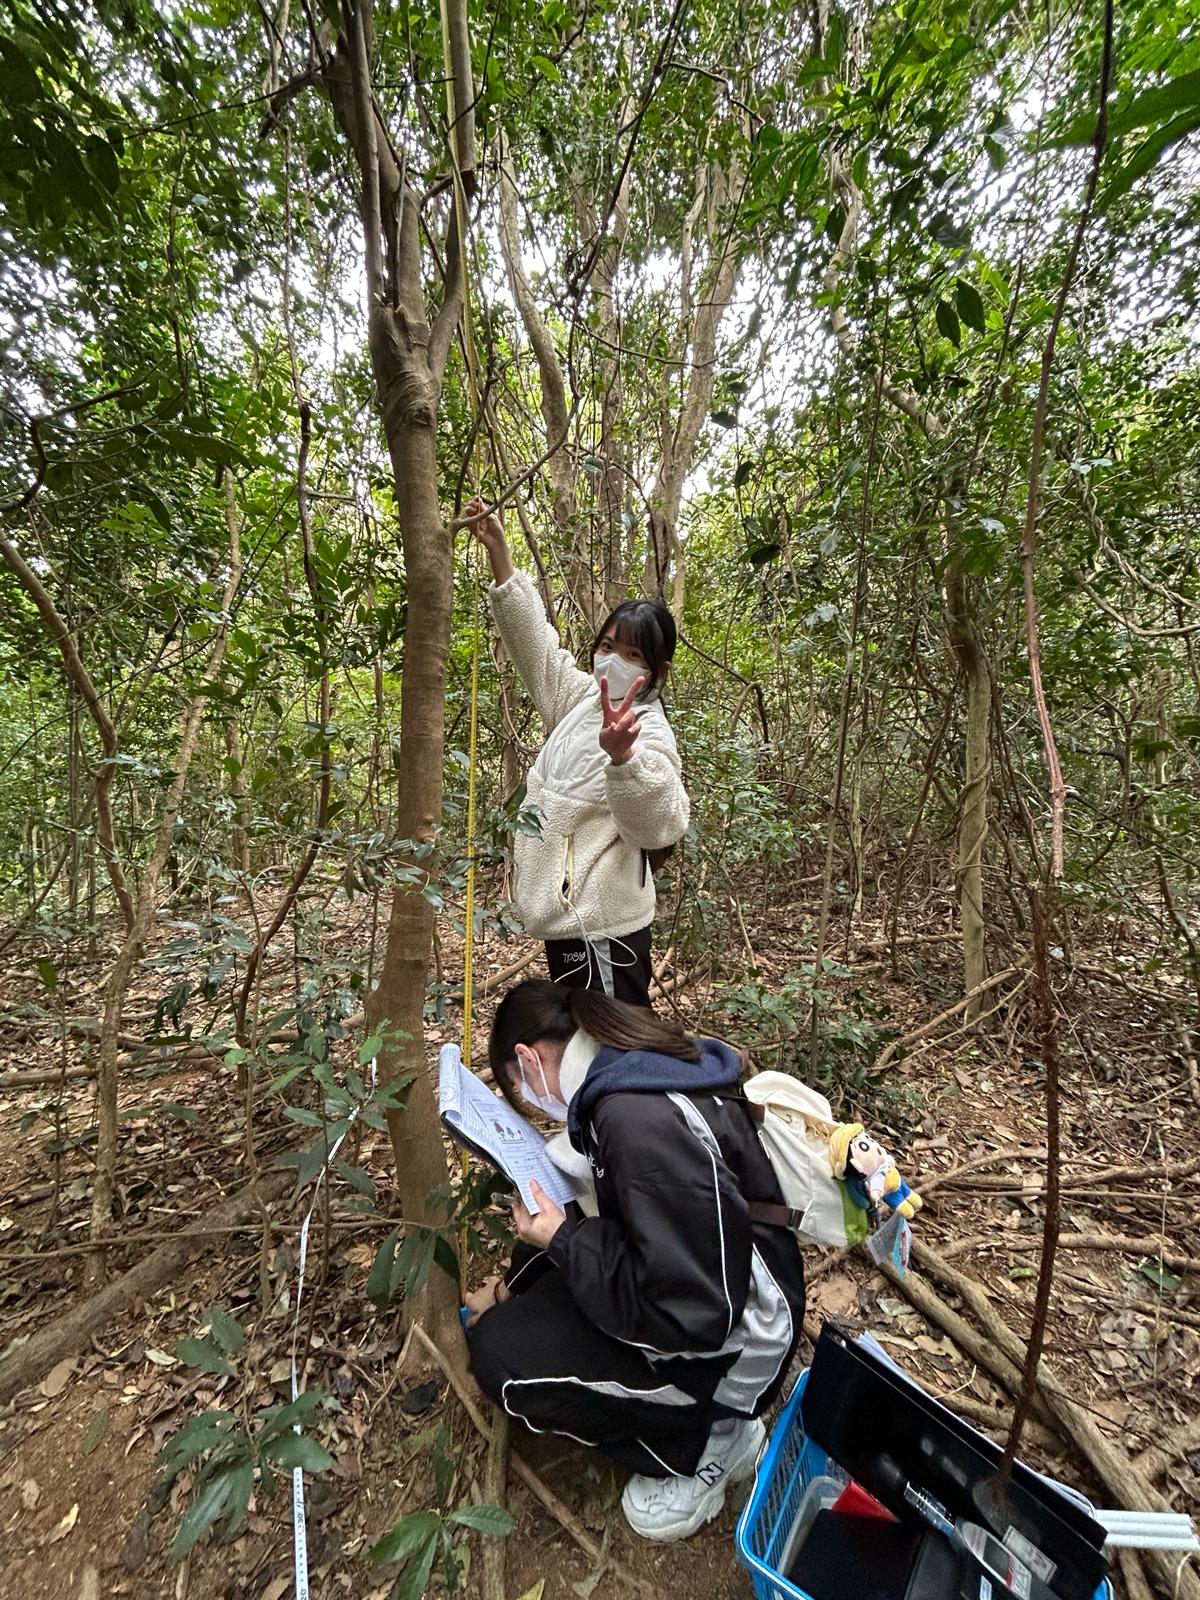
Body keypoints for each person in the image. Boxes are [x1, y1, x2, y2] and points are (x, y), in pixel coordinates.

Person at [464, 980, 806, 1543]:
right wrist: (511, 1285)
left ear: (528, 1059)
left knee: (501, 1358)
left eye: (523, 1090)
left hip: (738, 1341)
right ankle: (701, 1422)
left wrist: (563, 1242)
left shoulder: (631, 1120)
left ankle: (708, 1443)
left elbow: (692, 1313)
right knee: (526, 1301)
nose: (534, 1103)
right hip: (733, 1280)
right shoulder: (624, 1064)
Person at [466, 496, 689, 1008]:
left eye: (632, 654)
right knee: (587, 1036)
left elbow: (664, 824)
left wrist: (624, 759)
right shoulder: (580, 699)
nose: (613, 661)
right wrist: (501, 556)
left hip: (603, 927)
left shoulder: (650, 731)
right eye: (607, 647)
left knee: (615, 1040)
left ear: (655, 671)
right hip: (568, 919)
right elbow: (538, 651)